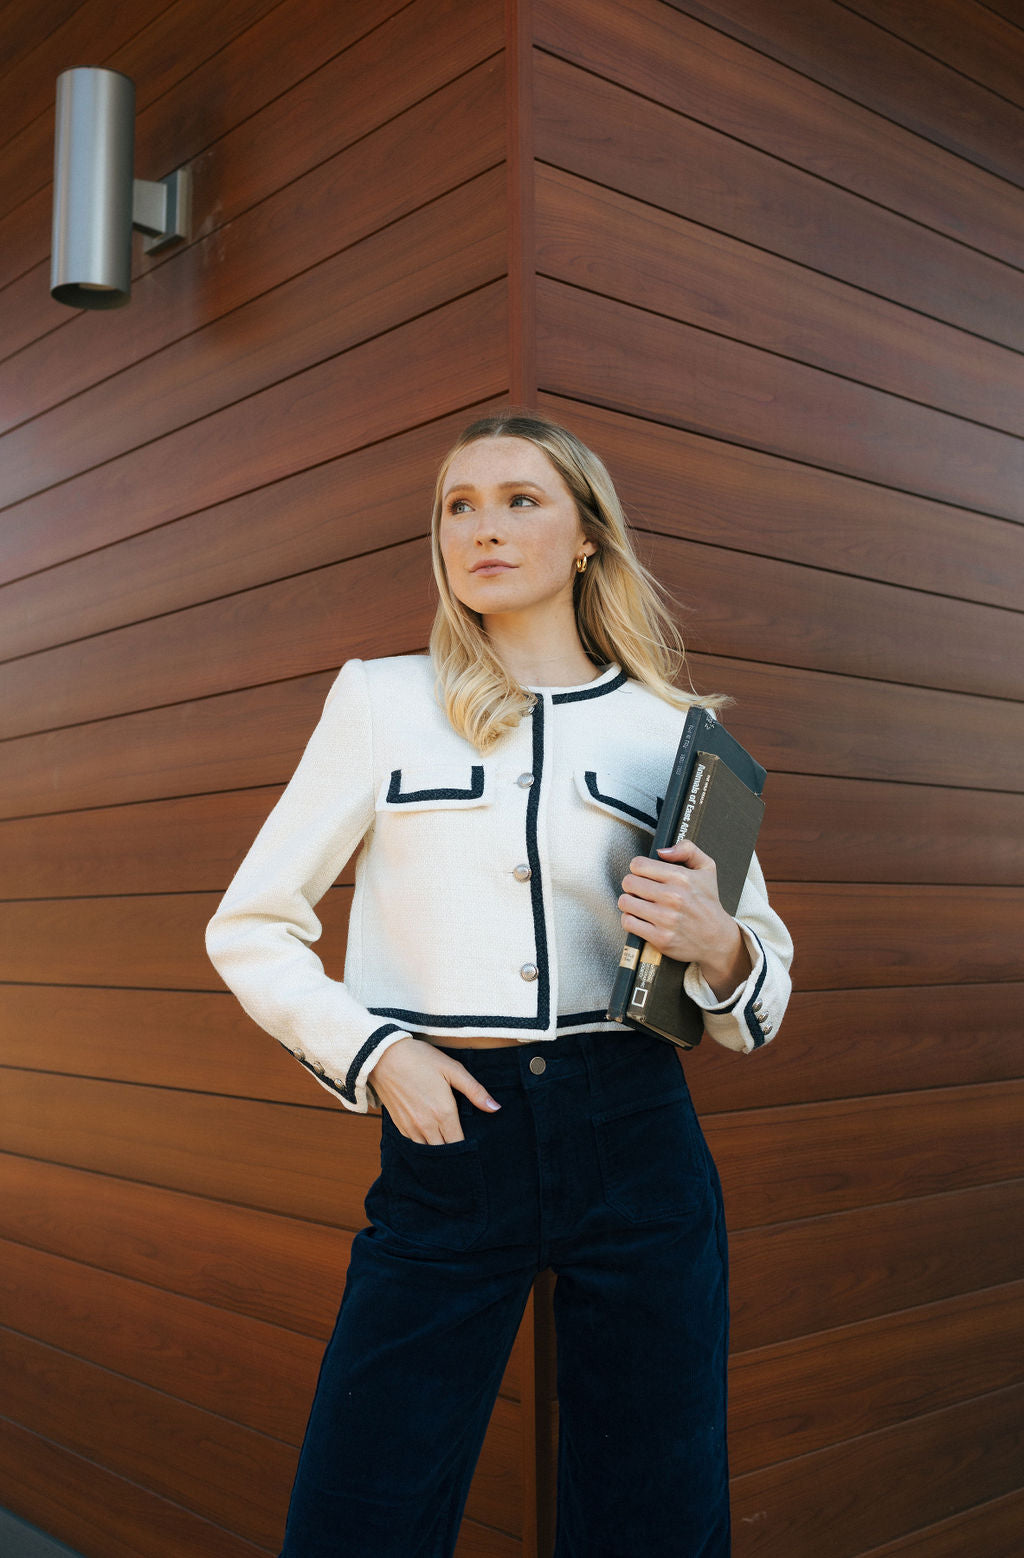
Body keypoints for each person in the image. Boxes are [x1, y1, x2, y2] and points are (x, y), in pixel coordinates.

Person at [205, 410, 793, 1557]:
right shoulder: (380, 699)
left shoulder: (670, 729)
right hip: (449, 1143)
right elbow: (251, 926)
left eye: (519, 499)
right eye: (457, 506)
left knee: (655, 1514)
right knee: (360, 1511)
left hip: (637, 1135)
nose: (482, 526)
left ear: (585, 536)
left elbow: (757, 985)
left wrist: (718, 941)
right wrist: (376, 1054)